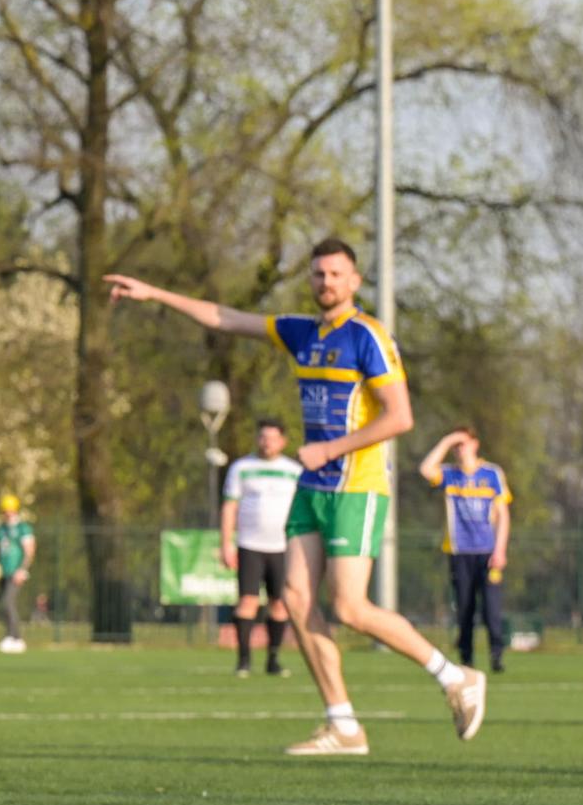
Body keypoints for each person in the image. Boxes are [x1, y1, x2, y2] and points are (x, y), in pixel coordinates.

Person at [106, 239, 486, 755]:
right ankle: (343, 723)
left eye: (335, 274)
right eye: (318, 274)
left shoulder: (368, 337)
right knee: (296, 598)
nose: (325, 282)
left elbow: (400, 417)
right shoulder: (301, 332)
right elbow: (224, 318)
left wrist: (329, 448)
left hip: (357, 485)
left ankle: (454, 676)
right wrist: (154, 293)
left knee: (350, 607)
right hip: (313, 487)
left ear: (354, 281)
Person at [419, 428, 513, 673]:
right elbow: (425, 469)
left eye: (463, 443)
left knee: (492, 608)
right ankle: (466, 658)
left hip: (488, 552)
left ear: (475, 444)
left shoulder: (492, 474)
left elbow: (503, 514)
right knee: (465, 608)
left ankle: (496, 655)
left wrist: (500, 549)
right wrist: (447, 440)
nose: (459, 448)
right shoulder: (450, 475)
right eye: (456, 445)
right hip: (459, 551)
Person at [220, 419, 300, 677]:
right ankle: (243, 661)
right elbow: (230, 506)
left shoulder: (293, 470)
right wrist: (226, 544)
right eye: (263, 437)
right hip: (250, 544)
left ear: (283, 441)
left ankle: (273, 660)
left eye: (273, 438)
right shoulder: (241, 467)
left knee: (280, 603)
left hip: (281, 546)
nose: (267, 442)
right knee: (247, 602)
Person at [0, 494, 35, 653]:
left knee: (8, 602)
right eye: (5, 511)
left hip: (17, 573)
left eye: (10, 511)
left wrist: (23, 570)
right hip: (4, 572)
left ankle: (15, 637)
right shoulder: (1, 530)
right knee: (4, 604)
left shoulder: (23, 528)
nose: (7, 514)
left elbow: (29, 551)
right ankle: (12, 637)